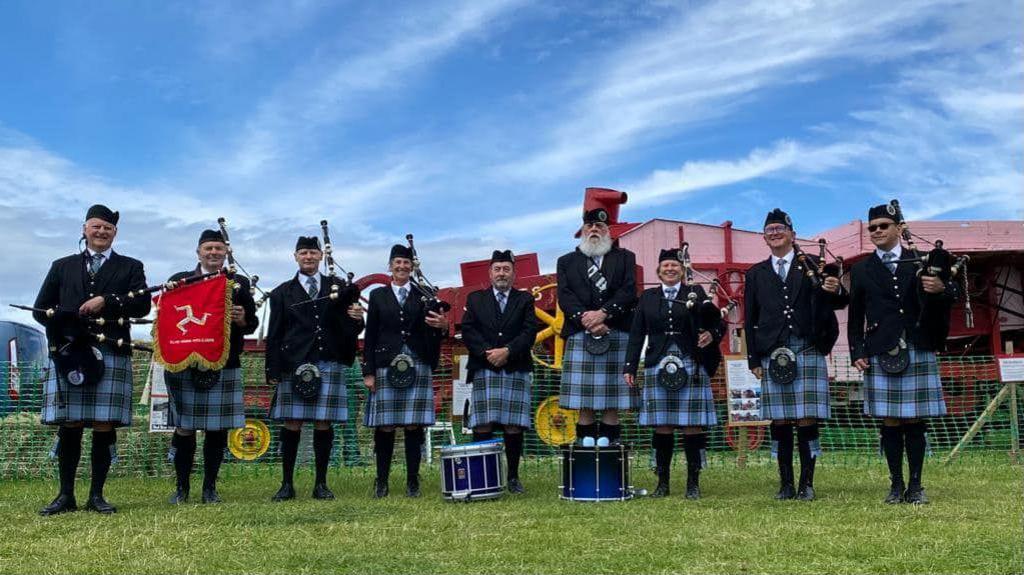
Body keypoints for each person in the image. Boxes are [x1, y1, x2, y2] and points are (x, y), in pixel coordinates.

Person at [34, 204, 151, 515]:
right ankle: (65, 496)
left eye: (108, 228)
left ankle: (97, 496)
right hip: (71, 355)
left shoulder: (130, 266)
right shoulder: (62, 266)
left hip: (111, 350)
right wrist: (65, 334)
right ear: (85, 228)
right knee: (70, 423)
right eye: (96, 226)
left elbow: (142, 306)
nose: (102, 232)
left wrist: (107, 302)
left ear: (115, 232)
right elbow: (40, 309)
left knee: (102, 423)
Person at [848, 203, 956, 504]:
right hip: (881, 348)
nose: (878, 231)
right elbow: (856, 316)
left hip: (918, 343)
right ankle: (896, 485)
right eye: (873, 228)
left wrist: (941, 288)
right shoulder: (860, 270)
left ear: (899, 228)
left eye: (884, 225)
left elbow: (954, 294)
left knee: (915, 421)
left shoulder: (920, 261)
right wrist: (857, 349)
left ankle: (916, 486)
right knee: (890, 421)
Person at [744, 208, 849, 501]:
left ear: (792, 233)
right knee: (779, 420)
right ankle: (786, 484)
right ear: (764, 237)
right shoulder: (756, 274)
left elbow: (839, 301)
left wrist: (836, 287)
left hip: (808, 347)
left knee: (807, 418)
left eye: (780, 229)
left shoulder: (815, 264)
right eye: (769, 230)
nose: (775, 233)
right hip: (771, 351)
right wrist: (753, 359)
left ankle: (807, 483)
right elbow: (750, 318)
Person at [265, 236, 364, 501]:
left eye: (312, 252)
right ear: (295, 257)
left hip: (328, 360)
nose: (308, 257)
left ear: (321, 256)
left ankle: (321, 483)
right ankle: (287, 484)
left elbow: (353, 326)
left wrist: (358, 319)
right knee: (292, 422)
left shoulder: (340, 287)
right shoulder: (281, 292)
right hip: (293, 363)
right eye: (303, 253)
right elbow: (274, 334)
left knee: (323, 422)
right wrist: (273, 370)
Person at [165, 229, 258, 504]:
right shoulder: (179, 281)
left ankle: (209, 489)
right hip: (187, 362)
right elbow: (168, 316)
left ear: (225, 252)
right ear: (199, 252)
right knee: (184, 428)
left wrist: (242, 319)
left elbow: (251, 324)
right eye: (209, 248)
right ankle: (182, 489)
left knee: (217, 430)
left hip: (224, 362)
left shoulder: (237, 282)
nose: (214, 253)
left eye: (219, 248)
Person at [624, 248, 723, 499]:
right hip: (657, 362)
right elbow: (637, 335)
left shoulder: (695, 292)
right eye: (665, 266)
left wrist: (711, 334)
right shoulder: (647, 297)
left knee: (692, 426)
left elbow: (717, 323)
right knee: (662, 426)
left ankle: (693, 484)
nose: (670, 269)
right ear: (658, 270)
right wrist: (630, 366)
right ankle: (663, 483)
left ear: (682, 270)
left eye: (675, 266)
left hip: (691, 362)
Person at [362, 243, 448, 498]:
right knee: (385, 426)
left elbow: (435, 330)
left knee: (413, 425)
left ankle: (413, 481)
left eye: (406, 263)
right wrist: (368, 371)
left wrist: (443, 326)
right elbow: (371, 336)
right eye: (397, 262)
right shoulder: (378, 296)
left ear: (412, 267)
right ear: (390, 266)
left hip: (417, 360)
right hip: (385, 363)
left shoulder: (425, 293)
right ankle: (381, 481)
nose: (401, 266)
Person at [459, 250, 539, 493]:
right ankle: (482, 477)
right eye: (497, 269)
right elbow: (468, 331)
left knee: (513, 424)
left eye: (506, 269)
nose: (502, 273)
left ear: (514, 273)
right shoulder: (475, 299)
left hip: (515, 365)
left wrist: (507, 351)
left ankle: (513, 477)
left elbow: (529, 332)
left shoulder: (524, 300)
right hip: (485, 366)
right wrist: (488, 353)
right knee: (482, 423)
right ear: (490, 273)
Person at [557, 208, 638, 446]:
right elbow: (565, 295)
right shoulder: (567, 261)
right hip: (581, 331)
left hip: (616, 331)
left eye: (599, 226)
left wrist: (604, 314)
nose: (594, 229)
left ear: (608, 231)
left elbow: (628, 291)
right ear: (582, 231)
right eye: (589, 226)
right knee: (585, 402)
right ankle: (585, 455)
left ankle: (610, 454)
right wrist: (586, 319)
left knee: (612, 402)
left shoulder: (625, 257)